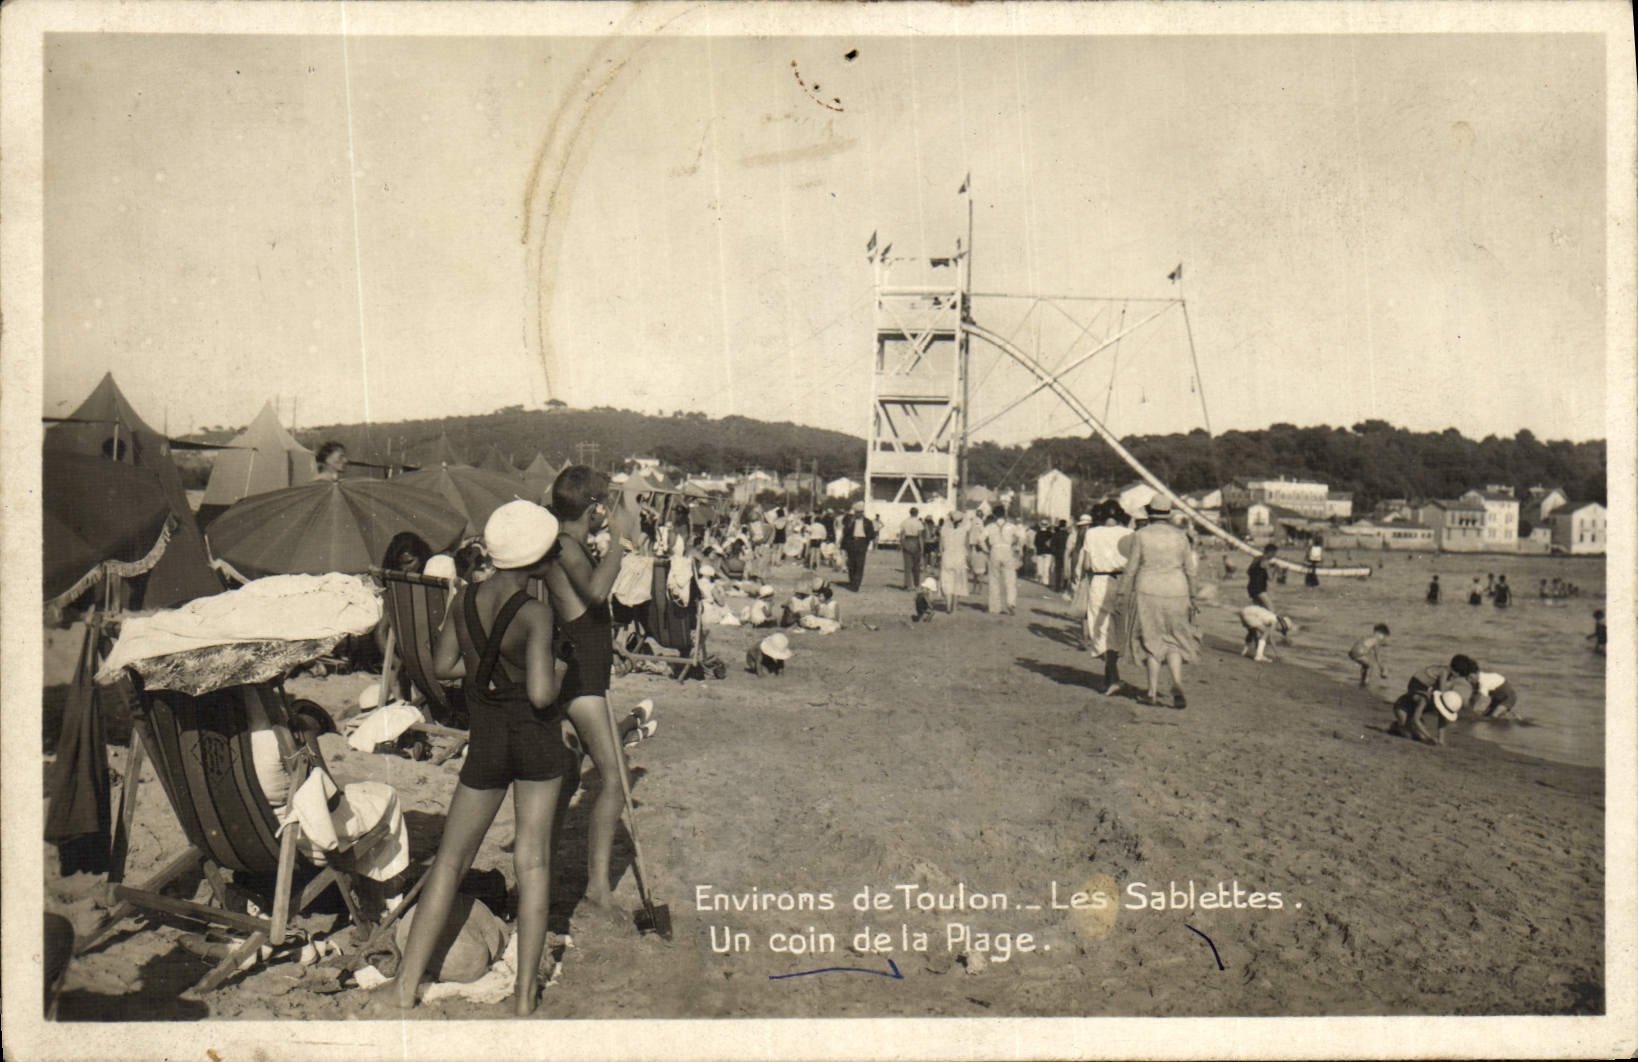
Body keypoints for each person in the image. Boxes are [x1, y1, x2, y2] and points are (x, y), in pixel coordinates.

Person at [385, 501, 567, 1015]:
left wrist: (482, 668)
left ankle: (404, 987)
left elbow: (443, 666)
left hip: (487, 741)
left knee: (450, 860)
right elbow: (538, 695)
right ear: (536, 560)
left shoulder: (465, 600)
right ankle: (526, 996)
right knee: (531, 863)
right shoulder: (536, 613)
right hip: (534, 742)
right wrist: (558, 666)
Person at [542, 466, 643, 923]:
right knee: (617, 781)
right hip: (582, 682)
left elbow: (581, 612)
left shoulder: (565, 543)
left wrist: (612, 645)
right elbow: (598, 593)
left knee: (565, 782)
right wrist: (620, 545)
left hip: (587, 671)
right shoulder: (565, 545)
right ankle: (598, 889)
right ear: (593, 507)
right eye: (605, 502)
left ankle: (538, 875)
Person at [1113, 496, 1200, 709]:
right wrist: (1194, 596)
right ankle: (1177, 683)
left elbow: (1131, 567)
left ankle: (1151, 691)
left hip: (1148, 589)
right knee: (1175, 640)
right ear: (1168, 514)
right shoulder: (1181, 537)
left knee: (1151, 639)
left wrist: (1121, 592)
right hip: (1177, 590)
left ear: (1150, 513)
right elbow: (1190, 569)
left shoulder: (1141, 535)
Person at [1078, 502, 1131, 695]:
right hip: (1122, 581)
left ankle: (1112, 677)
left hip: (1099, 581)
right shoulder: (1128, 533)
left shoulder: (1092, 533)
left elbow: (1086, 564)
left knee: (1100, 629)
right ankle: (1111, 677)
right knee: (1118, 629)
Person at [1390, 654, 1480, 745]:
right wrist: (1430, 738)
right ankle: (1398, 726)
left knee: (1419, 733)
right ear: (1456, 672)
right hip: (1415, 688)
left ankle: (1406, 724)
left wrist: (1440, 739)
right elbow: (1442, 690)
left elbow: (1442, 703)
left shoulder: (1444, 672)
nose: (1456, 678)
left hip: (1418, 688)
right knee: (1409, 735)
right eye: (1459, 676)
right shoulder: (1443, 672)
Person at [983, 510, 1020, 615]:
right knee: (1010, 578)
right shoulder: (1011, 526)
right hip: (1007, 551)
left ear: (994, 515)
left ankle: (995, 607)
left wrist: (987, 550)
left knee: (994, 579)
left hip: (995, 551)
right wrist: (1015, 544)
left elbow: (980, 539)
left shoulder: (990, 526)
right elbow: (1022, 537)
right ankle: (1011, 603)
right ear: (1004, 515)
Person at [938, 511, 971, 614]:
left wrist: (941, 556)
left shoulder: (944, 530)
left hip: (947, 555)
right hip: (959, 555)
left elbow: (940, 546)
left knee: (947, 580)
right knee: (958, 581)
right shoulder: (964, 530)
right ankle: (954, 607)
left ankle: (948, 606)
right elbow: (967, 546)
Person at [840, 502, 876, 592]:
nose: (859, 514)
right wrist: (850, 523)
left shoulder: (868, 522)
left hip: (862, 543)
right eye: (857, 512)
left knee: (860, 564)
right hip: (851, 543)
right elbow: (845, 532)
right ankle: (852, 581)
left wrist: (866, 542)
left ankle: (857, 584)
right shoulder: (850, 521)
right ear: (854, 512)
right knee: (851, 564)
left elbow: (871, 534)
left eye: (860, 512)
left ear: (863, 512)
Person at [899, 507, 926, 590]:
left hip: (907, 541)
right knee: (916, 566)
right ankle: (916, 584)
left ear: (909, 513)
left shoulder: (904, 522)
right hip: (916, 542)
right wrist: (922, 548)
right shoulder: (919, 523)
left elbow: (902, 536)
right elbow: (920, 536)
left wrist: (903, 545)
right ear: (917, 513)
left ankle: (908, 584)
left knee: (907, 566)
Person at [1247, 543, 1278, 611]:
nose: (1274, 556)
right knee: (1271, 609)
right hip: (1259, 588)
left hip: (1251, 587)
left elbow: (1248, 572)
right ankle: (1272, 621)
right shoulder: (1265, 562)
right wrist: (1275, 569)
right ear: (1270, 552)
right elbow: (1270, 578)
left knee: (1259, 609)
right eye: (1274, 553)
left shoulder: (1256, 559)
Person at [1050, 520, 1071, 593]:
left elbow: (1052, 545)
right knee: (1066, 570)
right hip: (1066, 555)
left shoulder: (1056, 534)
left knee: (1058, 571)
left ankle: (1057, 587)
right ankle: (1065, 587)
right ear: (1065, 526)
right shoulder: (1068, 535)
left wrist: (1054, 553)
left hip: (1058, 554)